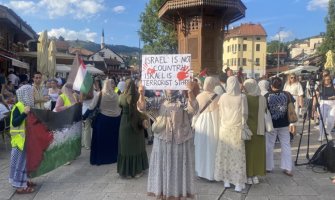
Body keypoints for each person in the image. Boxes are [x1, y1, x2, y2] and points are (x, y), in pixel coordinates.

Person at [138, 81, 198, 199]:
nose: (170, 87)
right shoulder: (158, 100)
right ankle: (163, 193)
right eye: (168, 83)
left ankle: (177, 193)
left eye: (173, 83)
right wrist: (141, 93)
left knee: (178, 169)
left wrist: (190, 92)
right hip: (162, 141)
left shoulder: (182, 100)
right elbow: (142, 107)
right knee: (163, 169)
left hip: (179, 142)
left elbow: (193, 109)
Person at [214, 76, 247, 192]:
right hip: (237, 129)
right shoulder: (242, 97)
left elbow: (220, 112)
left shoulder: (223, 97)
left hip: (224, 129)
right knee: (237, 156)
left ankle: (226, 180)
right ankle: (238, 182)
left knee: (225, 155)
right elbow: (244, 114)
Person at [83, 79, 122, 165]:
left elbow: (91, 107)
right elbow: (119, 107)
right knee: (112, 140)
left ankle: (100, 159)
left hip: (102, 120)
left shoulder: (100, 94)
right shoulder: (116, 95)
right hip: (115, 120)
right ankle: (112, 158)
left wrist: (84, 116)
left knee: (100, 140)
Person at [117, 79, 148, 178]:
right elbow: (142, 109)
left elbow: (119, 106)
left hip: (124, 123)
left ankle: (125, 171)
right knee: (136, 146)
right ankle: (137, 170)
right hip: (136, 122)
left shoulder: (121, 97)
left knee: (126, 148)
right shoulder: (137, 97)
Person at [9, 85, 36, 194]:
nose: (33, 95)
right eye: (31, 93)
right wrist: (24, 113)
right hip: (19, 141)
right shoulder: (19, 106)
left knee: (25, 162)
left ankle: (24, 181)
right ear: (26, 94)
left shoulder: (26, 105)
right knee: (19, 163)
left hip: (24, 140)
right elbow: (15, 123)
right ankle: (19, 186)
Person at [265, 77, 293, 177]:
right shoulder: (287, 94)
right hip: (285, 123)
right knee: (286, 145)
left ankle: (268, 167)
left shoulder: (267, 96)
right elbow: (291, 108)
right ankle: (288, 168)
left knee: (269, 145)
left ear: (271, 85)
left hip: (271, 125)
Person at [194, 77, 219, 181]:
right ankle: (212, 173)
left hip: (202, 122)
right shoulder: (218, 96)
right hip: (214, 123)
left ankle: (201, 171)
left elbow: (196, 111)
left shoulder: (199, 96)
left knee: (201, 147)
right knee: (212, 148)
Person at [243, 79, 267, 184]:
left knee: (248, 153)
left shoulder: (245, 98)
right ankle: (256, 175)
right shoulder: (262, 98)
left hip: (248, 129)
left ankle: (248, 175)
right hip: (260, 129)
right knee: (258, 153)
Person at [314, 74, 335, 141]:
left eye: (328, 79)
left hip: (332, 103)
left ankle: (328, 132)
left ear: (330, 80)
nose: (327, 81)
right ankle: (321, 135)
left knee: (331, 120)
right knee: (322, 120)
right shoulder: (320, 87)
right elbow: (316, 96)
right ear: (323, 80)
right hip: (323, 103)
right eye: (325, 79)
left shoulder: (333, 86)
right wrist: (314, 106)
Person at [283, 73, 303, 138]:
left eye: (294, 77)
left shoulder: (298, 84)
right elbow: (283, 93)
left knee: (294, 115)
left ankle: (293, 132)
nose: (293, 78)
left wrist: (301, 103)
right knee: (288, 115)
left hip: (295, 100)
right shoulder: (286, 84)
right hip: (287, 100)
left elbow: (300, 94)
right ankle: (289, 132)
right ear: (289, 78)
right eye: (291, 77)